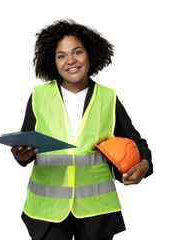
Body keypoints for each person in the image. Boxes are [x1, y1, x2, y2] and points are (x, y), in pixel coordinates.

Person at [10, 19, 153, 240]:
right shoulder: (39, 97)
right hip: (49, 212)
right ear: (53, 61)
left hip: (96, 211)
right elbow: (24, 148)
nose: (71, 61)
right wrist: (21, 154)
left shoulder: (108, 98)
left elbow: (136, 142)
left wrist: (144, 165)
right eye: (62, 55)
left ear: (90, 54)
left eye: (77, 52)